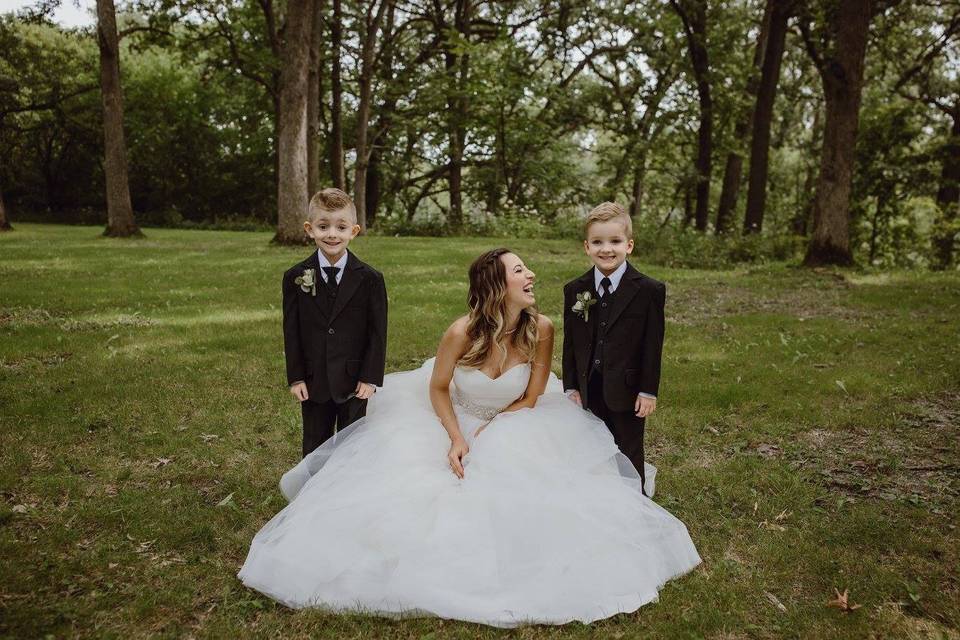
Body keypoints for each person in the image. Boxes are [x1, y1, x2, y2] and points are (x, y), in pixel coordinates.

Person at [239, 248, 700, 628]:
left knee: (529, 489)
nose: (531, 274)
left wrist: (494, 431)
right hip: (453, 416)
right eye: (520, 270)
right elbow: (437, 388)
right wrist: (458, 436)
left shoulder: (541, 329)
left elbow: (534, 396)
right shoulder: (461, 332)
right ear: (497, 285)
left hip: (517, 419)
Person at [563, 202, 664, 494]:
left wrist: (648, 390)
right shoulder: (575, 289)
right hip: (588, 387)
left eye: (615, 242)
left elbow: (652, 344)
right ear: (587, 247)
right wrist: (571, 385)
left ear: (629, 245)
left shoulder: (648, 290)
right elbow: (571, 342)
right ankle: (598, 499)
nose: (606, 249)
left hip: (628, 390)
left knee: (628, 448)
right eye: (598, 242)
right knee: (591, 447)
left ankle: (636, 504)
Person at [282, 188, 387, 457]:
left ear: (354, 230)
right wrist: (296, 377)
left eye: (341, 227)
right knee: (314, 447)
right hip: (314, 380)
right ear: (309, 229)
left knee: (352, 448)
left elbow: (377, 333)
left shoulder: (370, 279)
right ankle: (313, 494)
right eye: (323, 226)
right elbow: (291, 331)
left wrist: (370, 377)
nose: (332, 234)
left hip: (354, 383)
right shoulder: (295, 277)